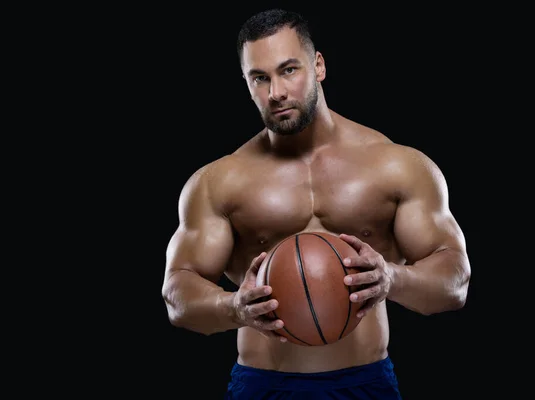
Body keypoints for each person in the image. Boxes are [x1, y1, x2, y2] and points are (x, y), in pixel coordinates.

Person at [162, 8, 471, 399]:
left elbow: (455, 281)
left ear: (319, 66)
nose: (276, 92)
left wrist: (394, 278)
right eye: (260, 78)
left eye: (289, 70)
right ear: (246, 83)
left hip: (364, 384)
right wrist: (233, 307)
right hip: (264, 386)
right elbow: (178, 294)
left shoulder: (395, 166)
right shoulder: (219, 182)